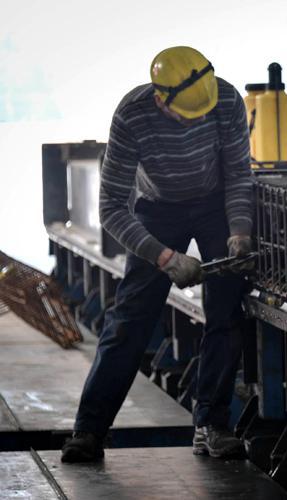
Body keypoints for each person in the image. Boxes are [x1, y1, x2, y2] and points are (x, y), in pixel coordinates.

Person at [61, 46, 254, 462]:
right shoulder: (133, 116)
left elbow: (239, 173)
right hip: (158, 209)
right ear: (160, 97)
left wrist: (239, 230)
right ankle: (89, 431)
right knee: (131, 318)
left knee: (226, 312)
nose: (196, 118)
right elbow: (111, 207)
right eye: (187, 112)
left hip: (214, 204)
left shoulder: (223, 100)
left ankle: (211, 424)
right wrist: (164, 257)